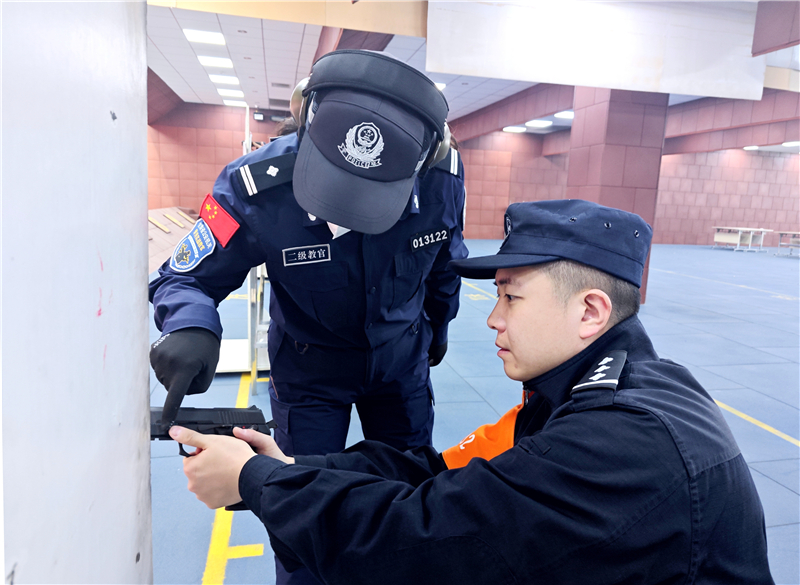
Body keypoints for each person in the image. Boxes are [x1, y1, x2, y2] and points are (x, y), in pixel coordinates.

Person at [171, 199, 774, 585]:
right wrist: (292, 468)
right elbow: (441, 473)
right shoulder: (586, 390)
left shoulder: (619, 441)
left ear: (590, 311)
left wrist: (257, 483)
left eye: (511, 296)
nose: (493, 318)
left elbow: (422, 541)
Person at [149, 49, 466, 583]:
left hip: (401, 365)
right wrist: (190, 325)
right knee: (298, 507)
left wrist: (441, 324)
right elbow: (185, 276)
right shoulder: (258, 187)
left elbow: (444, 265)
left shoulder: (441, 178)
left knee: (411, 496)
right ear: (310, 122)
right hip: (309, 371)